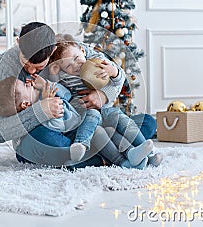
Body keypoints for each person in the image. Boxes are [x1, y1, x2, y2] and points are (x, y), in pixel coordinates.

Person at [0, 22, 157, 167]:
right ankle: (104, 153)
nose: (31, 72)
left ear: (52, 50)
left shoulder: (69, 51)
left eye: (39, 67)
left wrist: (103, 96)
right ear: (18, 43)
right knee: (42, 139)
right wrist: (41, 111)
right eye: (26, 63)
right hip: (46, 132)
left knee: (147, 123)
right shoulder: (4, 65)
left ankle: (93, 153)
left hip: (82, 121)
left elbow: (114, 73)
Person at [49, 34, 163, 166]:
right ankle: (120, 157)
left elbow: (119, 81)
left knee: (124, 118)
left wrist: (113, 72)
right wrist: (53, 73)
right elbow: (54, 88)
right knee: (105, 132)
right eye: (69, 65)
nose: (76, 65)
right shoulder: (65, 76)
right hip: (86, 119)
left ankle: (147, 153)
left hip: (106, 111)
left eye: (76, 58)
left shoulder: (97, 62)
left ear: (82, 50)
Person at [0, 75, 153, 167]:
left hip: (85, 118)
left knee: (144, 122)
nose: (30, 82)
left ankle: (135, 154)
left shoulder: (41, 88)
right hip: (70, 132)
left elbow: (67, 95)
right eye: (26, 86)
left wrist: (47, 84)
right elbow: (60, 126)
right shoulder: (36, 106)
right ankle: (111, 159)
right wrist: (44, 109)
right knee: (99, 130)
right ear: (25, 104)